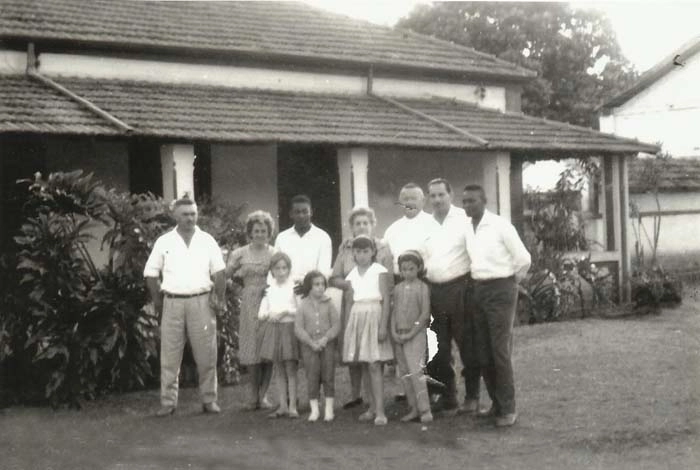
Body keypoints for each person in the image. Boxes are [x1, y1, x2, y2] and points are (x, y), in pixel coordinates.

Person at [144, 197, 226, 417]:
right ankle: (168, 402)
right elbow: (151, 273)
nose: (190, 218)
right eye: (185, 214)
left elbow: (220, 272)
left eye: (193, 213)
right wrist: (159, 302)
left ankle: (210, 400)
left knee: (207, 354)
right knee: (169, 355)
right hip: (172, 302)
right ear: (175, 216)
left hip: (201, 301)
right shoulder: (164, 242)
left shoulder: (207, 240)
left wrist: (218, 298)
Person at [462, 184, 531, 427]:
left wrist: (511, 283)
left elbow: (524, 259)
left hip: (501, 288)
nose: (468, 205)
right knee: (484, 351)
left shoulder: (501, 226)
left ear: (484, 201)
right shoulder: (467, 228)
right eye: (465, 201)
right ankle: (496, 405)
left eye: (472, 201)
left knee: (499, 351)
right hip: (478, 289)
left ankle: (509, 409)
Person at [423, 178, 480, 416]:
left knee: (467, 345)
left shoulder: (464, 220)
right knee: (439, 347)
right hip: (433, 290)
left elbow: (476, 253)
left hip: (460, 288)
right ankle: (448, 398)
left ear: (450, 195)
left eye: (441, 195)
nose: (436, 200)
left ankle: (472, 396)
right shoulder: (425, 224)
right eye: (432, 196)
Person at [329, 206, 393, 410]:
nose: (362, 226)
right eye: (358, 223)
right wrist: (348, 284)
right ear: (352, 227)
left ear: (372, 224)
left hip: (375, 304)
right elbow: (334, 277)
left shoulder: (382, 248)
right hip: (352, 302)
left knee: (373, 354)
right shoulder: (346, 248)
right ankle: (358, 395)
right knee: (356, 351)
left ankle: (376, 401)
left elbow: (387, 280)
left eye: (366, 222)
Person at [226, 210, 276, 411]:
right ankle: (253, 394)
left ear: (269, 232)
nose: (260, 234)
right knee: (251, 348)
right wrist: (238, 288)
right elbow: (225, 275)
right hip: (248, 302)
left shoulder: (274, 253)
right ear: (250, 232)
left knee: (268, 348)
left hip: (269, 301)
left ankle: (263, 395)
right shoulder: (240, 253)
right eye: (256, 230)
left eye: (264, 230)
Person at [342, 235, 393, 425]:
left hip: (374, 315)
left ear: (372, 252)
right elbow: (349, 302)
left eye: (366, 251)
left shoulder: (379, 270)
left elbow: (386, 300)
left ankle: (381, 411)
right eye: (358, 252)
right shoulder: (351, 274)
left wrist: (383, 326)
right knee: (364, 364)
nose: (362, 255)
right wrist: (348, 329)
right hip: (357, 316)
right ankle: (371, 407)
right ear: (353, 254)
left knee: (374, 364)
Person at [391, 250, 433, 424]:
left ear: (418, 269)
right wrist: (393, 331)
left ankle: (425, 409)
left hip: (415, 335)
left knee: (416, 372)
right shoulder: (397, 289)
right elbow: (393, 313)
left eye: (411, 269)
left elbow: (424, 314)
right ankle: (413, 408)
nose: (407, 272)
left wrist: (411, 332)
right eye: (404, 269)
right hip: (399, 334)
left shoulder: (423, 288)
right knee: (405, 373)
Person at [257, 252, 300, 418]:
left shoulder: (293, 288)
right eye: (277, 268)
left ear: (289, 269)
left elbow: (298, 311)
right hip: (274, 330)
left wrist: (284, 312)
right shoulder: (269, 290)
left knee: (291, 368)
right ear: (272, 271)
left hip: (289, 329)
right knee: (279, 369)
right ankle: (282, 405)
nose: (281, 272)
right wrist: (269, 314)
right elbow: (262, 313)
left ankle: (293, 406)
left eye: (284, 268)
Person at [294, 271, 340, 422]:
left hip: (327, 345)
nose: (320, 288)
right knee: (312, 376)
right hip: (309, 347)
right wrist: (310, 342)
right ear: (309, 286)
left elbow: (336, 325)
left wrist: (326, 339)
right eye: (316, 284)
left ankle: (328, 409)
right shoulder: (303, 305)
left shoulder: (329, 303)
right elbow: (298, 328)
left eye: (322, 284)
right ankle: (314, 410)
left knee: (328, 375)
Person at [275, 194, 333, 285]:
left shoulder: (323, 238)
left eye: (305, 212)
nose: (301, 215)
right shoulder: (281, 238)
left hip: (313, 290)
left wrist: (306, 284)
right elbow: (276, 268)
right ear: (291, 214)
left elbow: (323, 272)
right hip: (286, 288)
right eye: (297, 212)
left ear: (311, 213)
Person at [383, 183, 434, 274]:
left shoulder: (434, 224)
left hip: (426, 281)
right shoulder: (392, 230)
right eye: (406, 199)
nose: (409, 202)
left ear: (423, 201)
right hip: (399, 281)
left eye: (414, 198)